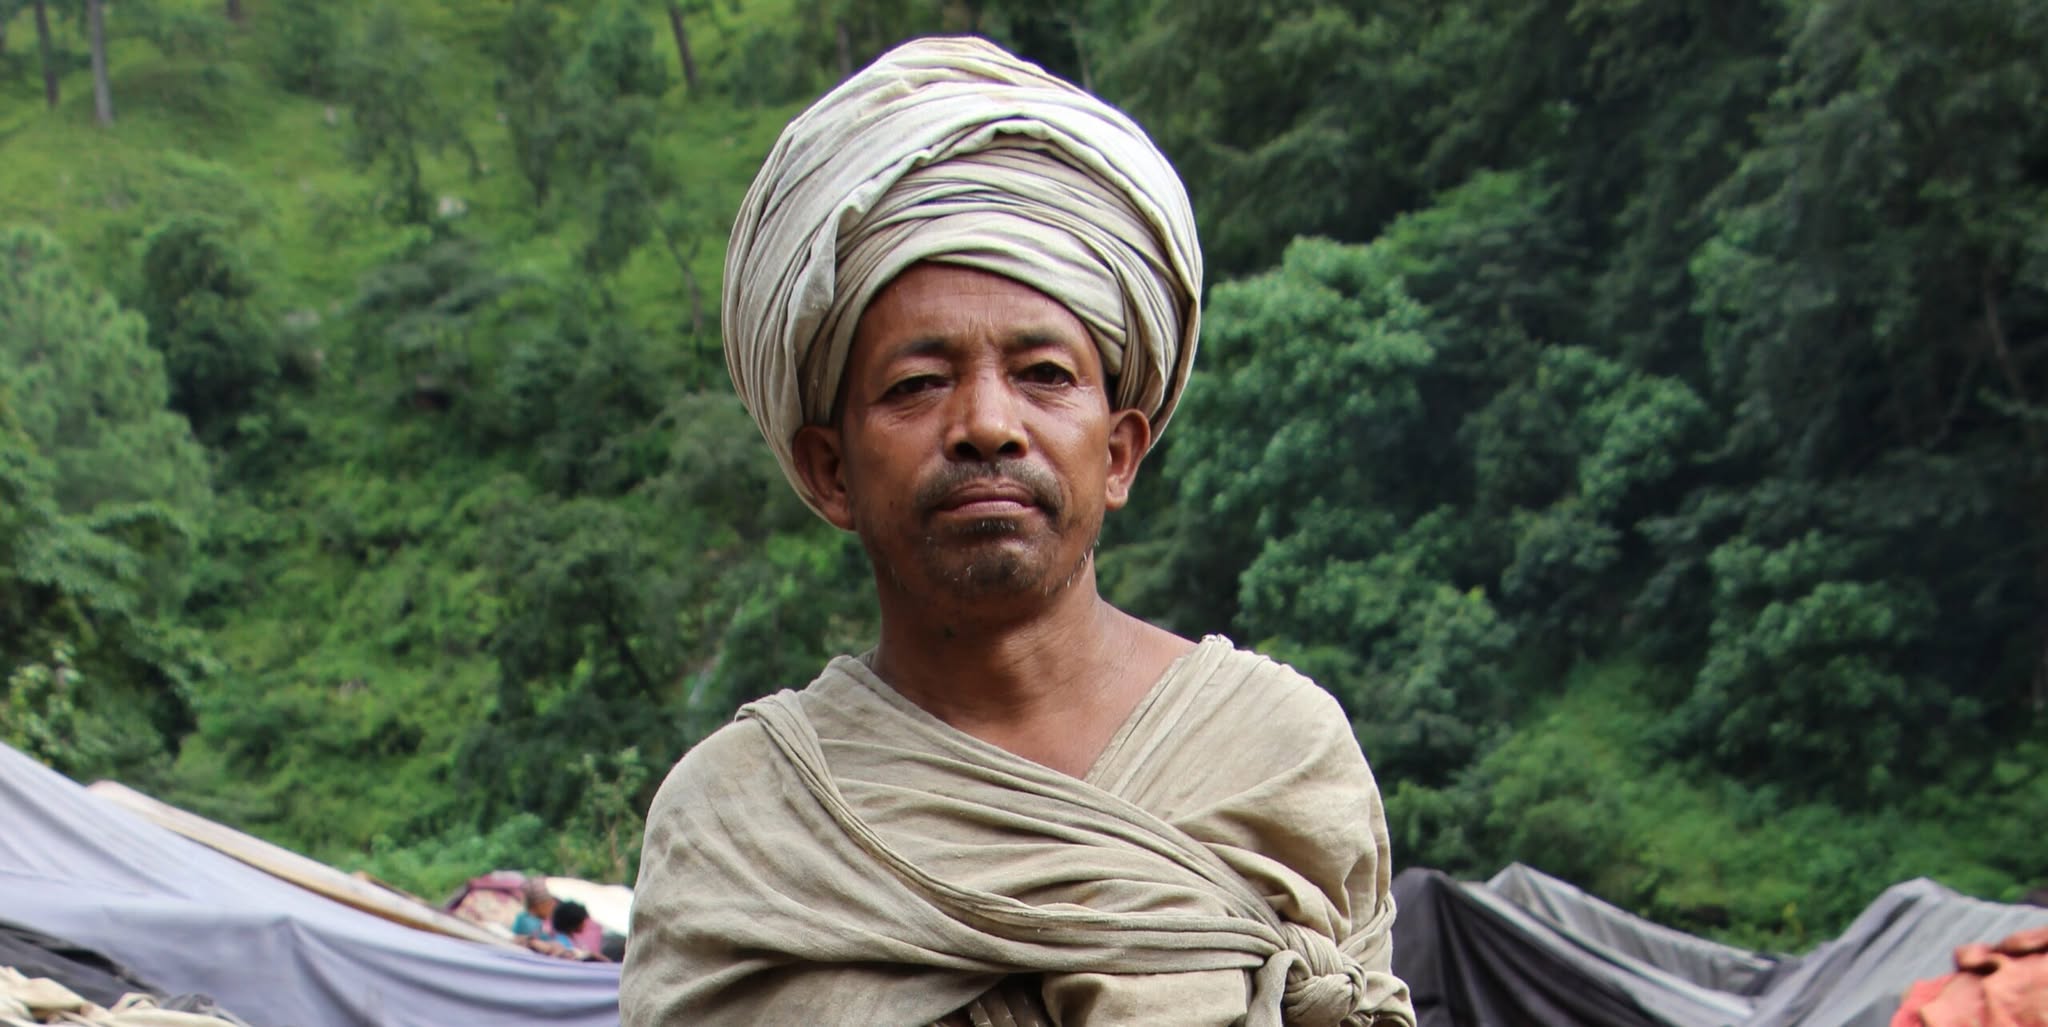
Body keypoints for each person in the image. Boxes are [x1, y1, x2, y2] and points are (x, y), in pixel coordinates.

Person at [622, 36, 1415, 1027]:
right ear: (830, 471)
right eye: (917, 384)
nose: (987, 424)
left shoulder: (1277, 753)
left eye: (1044, 375)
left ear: (1119, 451)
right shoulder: (739, 822)